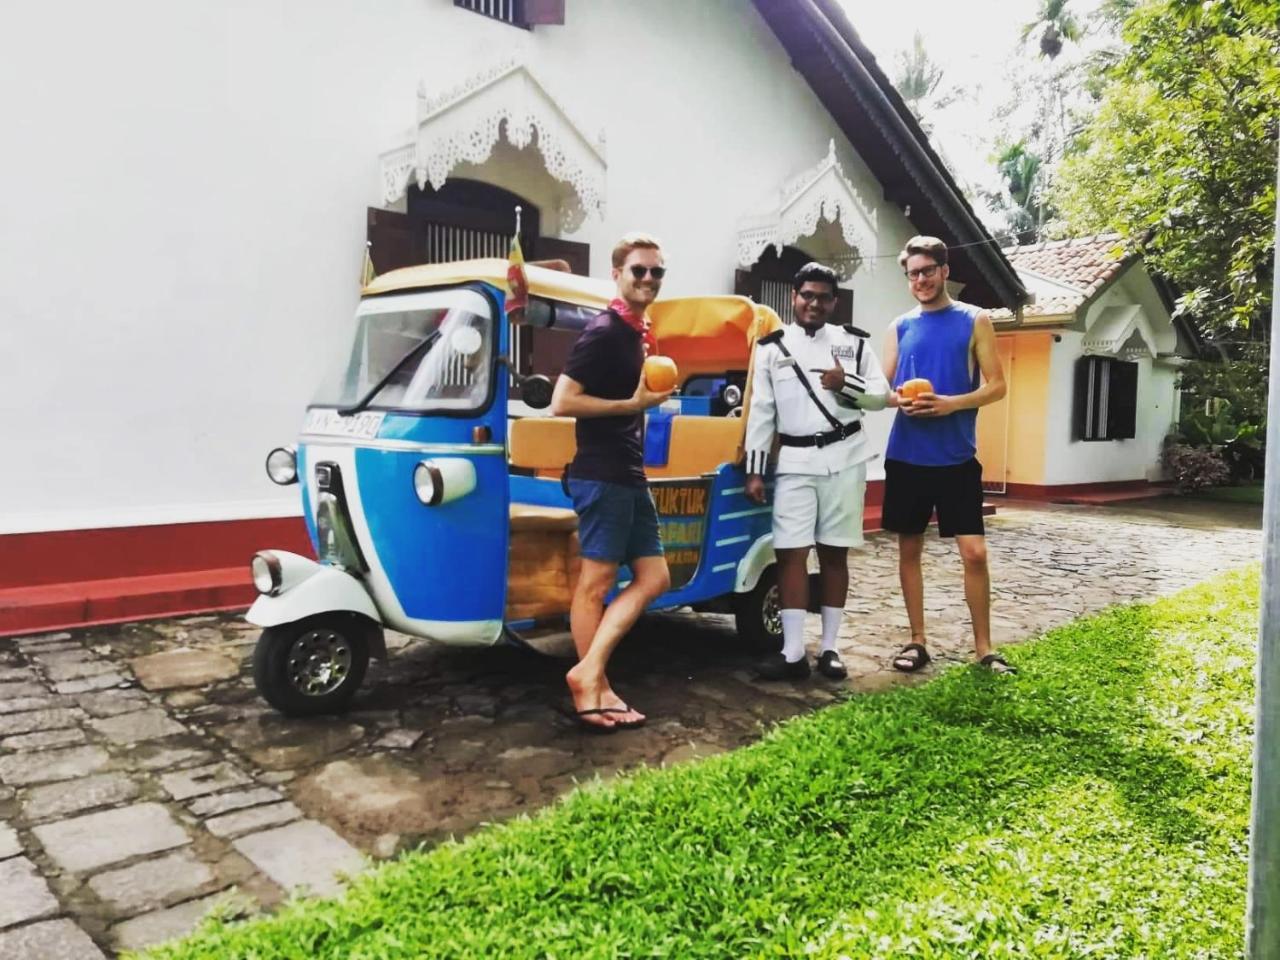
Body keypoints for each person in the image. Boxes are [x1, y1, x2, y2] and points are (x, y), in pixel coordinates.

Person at [550, 232, 673, 731]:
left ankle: (590, 673)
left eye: (656, 272)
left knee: (655, 577)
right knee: (595, 584)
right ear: (617, 274)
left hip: (627, 471)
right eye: (638, 270)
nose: (647, 278)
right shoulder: (604, 331)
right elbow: (561, 401)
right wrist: (632, 406)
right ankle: (592, 688)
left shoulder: (637, 333)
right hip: (602, 474)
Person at [743, 262, 889, 680]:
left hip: (844, 457)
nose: (814, 303)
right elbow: (761, 413)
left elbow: (882, 396)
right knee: (790, 553)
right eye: (807, 294)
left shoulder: (854, 345)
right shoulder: (772, 347)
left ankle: (829, 648)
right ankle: (791, 653)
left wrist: (847, 383)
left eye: (823, 297)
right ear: (794, 297)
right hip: (793, 462)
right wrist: (756, 470)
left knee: (834, 553)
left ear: (834, 302)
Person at [881, 235, 1015, 674]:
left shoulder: (974, 320)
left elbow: (997, 386)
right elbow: (882, 390)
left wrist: (950, 403)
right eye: (912, 274)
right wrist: (895, 399)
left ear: (944, 271)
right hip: (906, 455)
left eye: (926, 271)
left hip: (956, 457)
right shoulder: (900, 326)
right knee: (908, 550)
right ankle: (917, 641)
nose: (919, 280)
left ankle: (984, 649)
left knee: (974, 552)